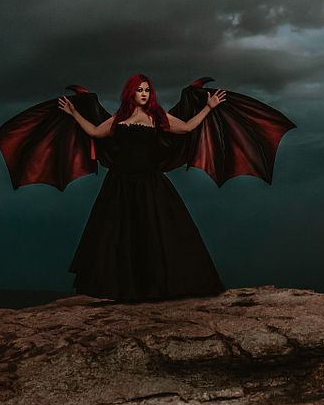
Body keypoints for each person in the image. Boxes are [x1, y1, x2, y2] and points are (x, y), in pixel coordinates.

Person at [57, 74, 227, 302]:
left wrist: (208, 107)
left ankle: (157, 288)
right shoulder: (119, 118)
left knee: (154, 235)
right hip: (120, 184)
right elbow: (95, 133)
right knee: (121, 237)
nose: (144, 94)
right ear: (131, 93)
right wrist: (74, 114)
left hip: (149, 184)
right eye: (140, 90)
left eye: (147, 90)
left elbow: (187, 128)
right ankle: (127, 290)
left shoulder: (157, 117)